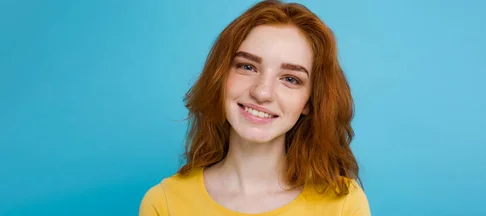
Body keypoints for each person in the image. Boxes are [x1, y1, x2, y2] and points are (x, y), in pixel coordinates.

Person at [139, 0, 370, 215]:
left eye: (290, 79)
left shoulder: (344, 204)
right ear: (220, 78)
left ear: (309, 102)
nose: (262, 93)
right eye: (247, 67)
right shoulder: (165, 202)